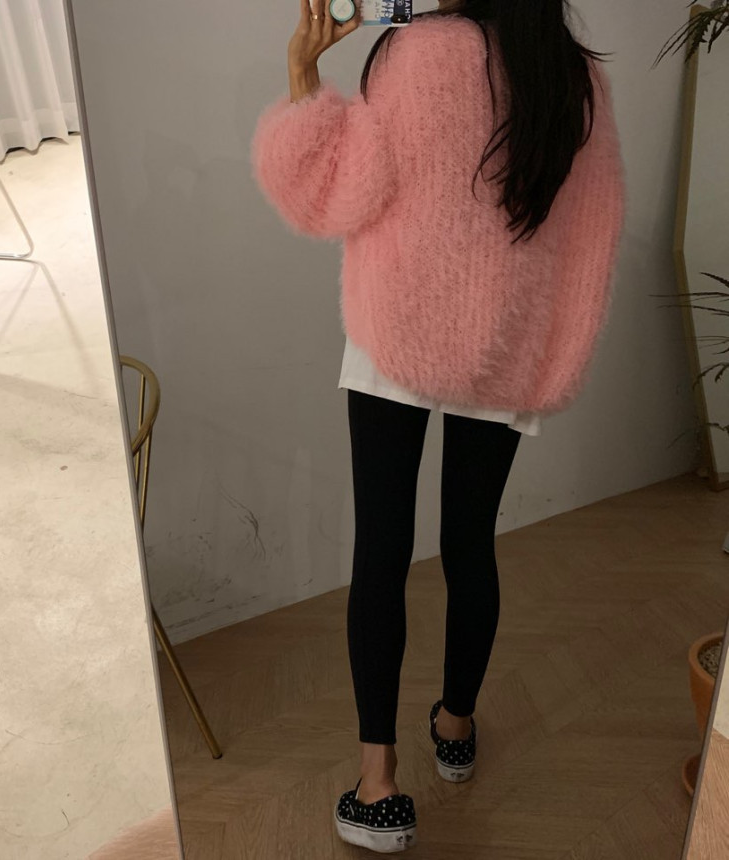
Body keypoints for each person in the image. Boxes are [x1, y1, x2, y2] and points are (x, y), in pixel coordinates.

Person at [252, 0, 625, 852]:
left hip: (395, 338)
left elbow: (334, 197)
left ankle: (378, 786)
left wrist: (304, 75)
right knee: (470, 545)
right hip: (507, 347)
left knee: (382, 551)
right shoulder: (574, 76)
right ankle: (455, 729)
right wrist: (554, 357)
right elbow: (593, 235)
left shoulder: (411, 52)